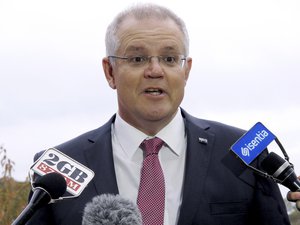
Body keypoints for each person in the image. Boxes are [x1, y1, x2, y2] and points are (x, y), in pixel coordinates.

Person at [25, 3, 298, 225]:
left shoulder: (244, 154)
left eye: (169, 59)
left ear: (186, 70)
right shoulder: (59, 169)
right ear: (110, 72)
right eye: (137, 59)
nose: (155, 70)